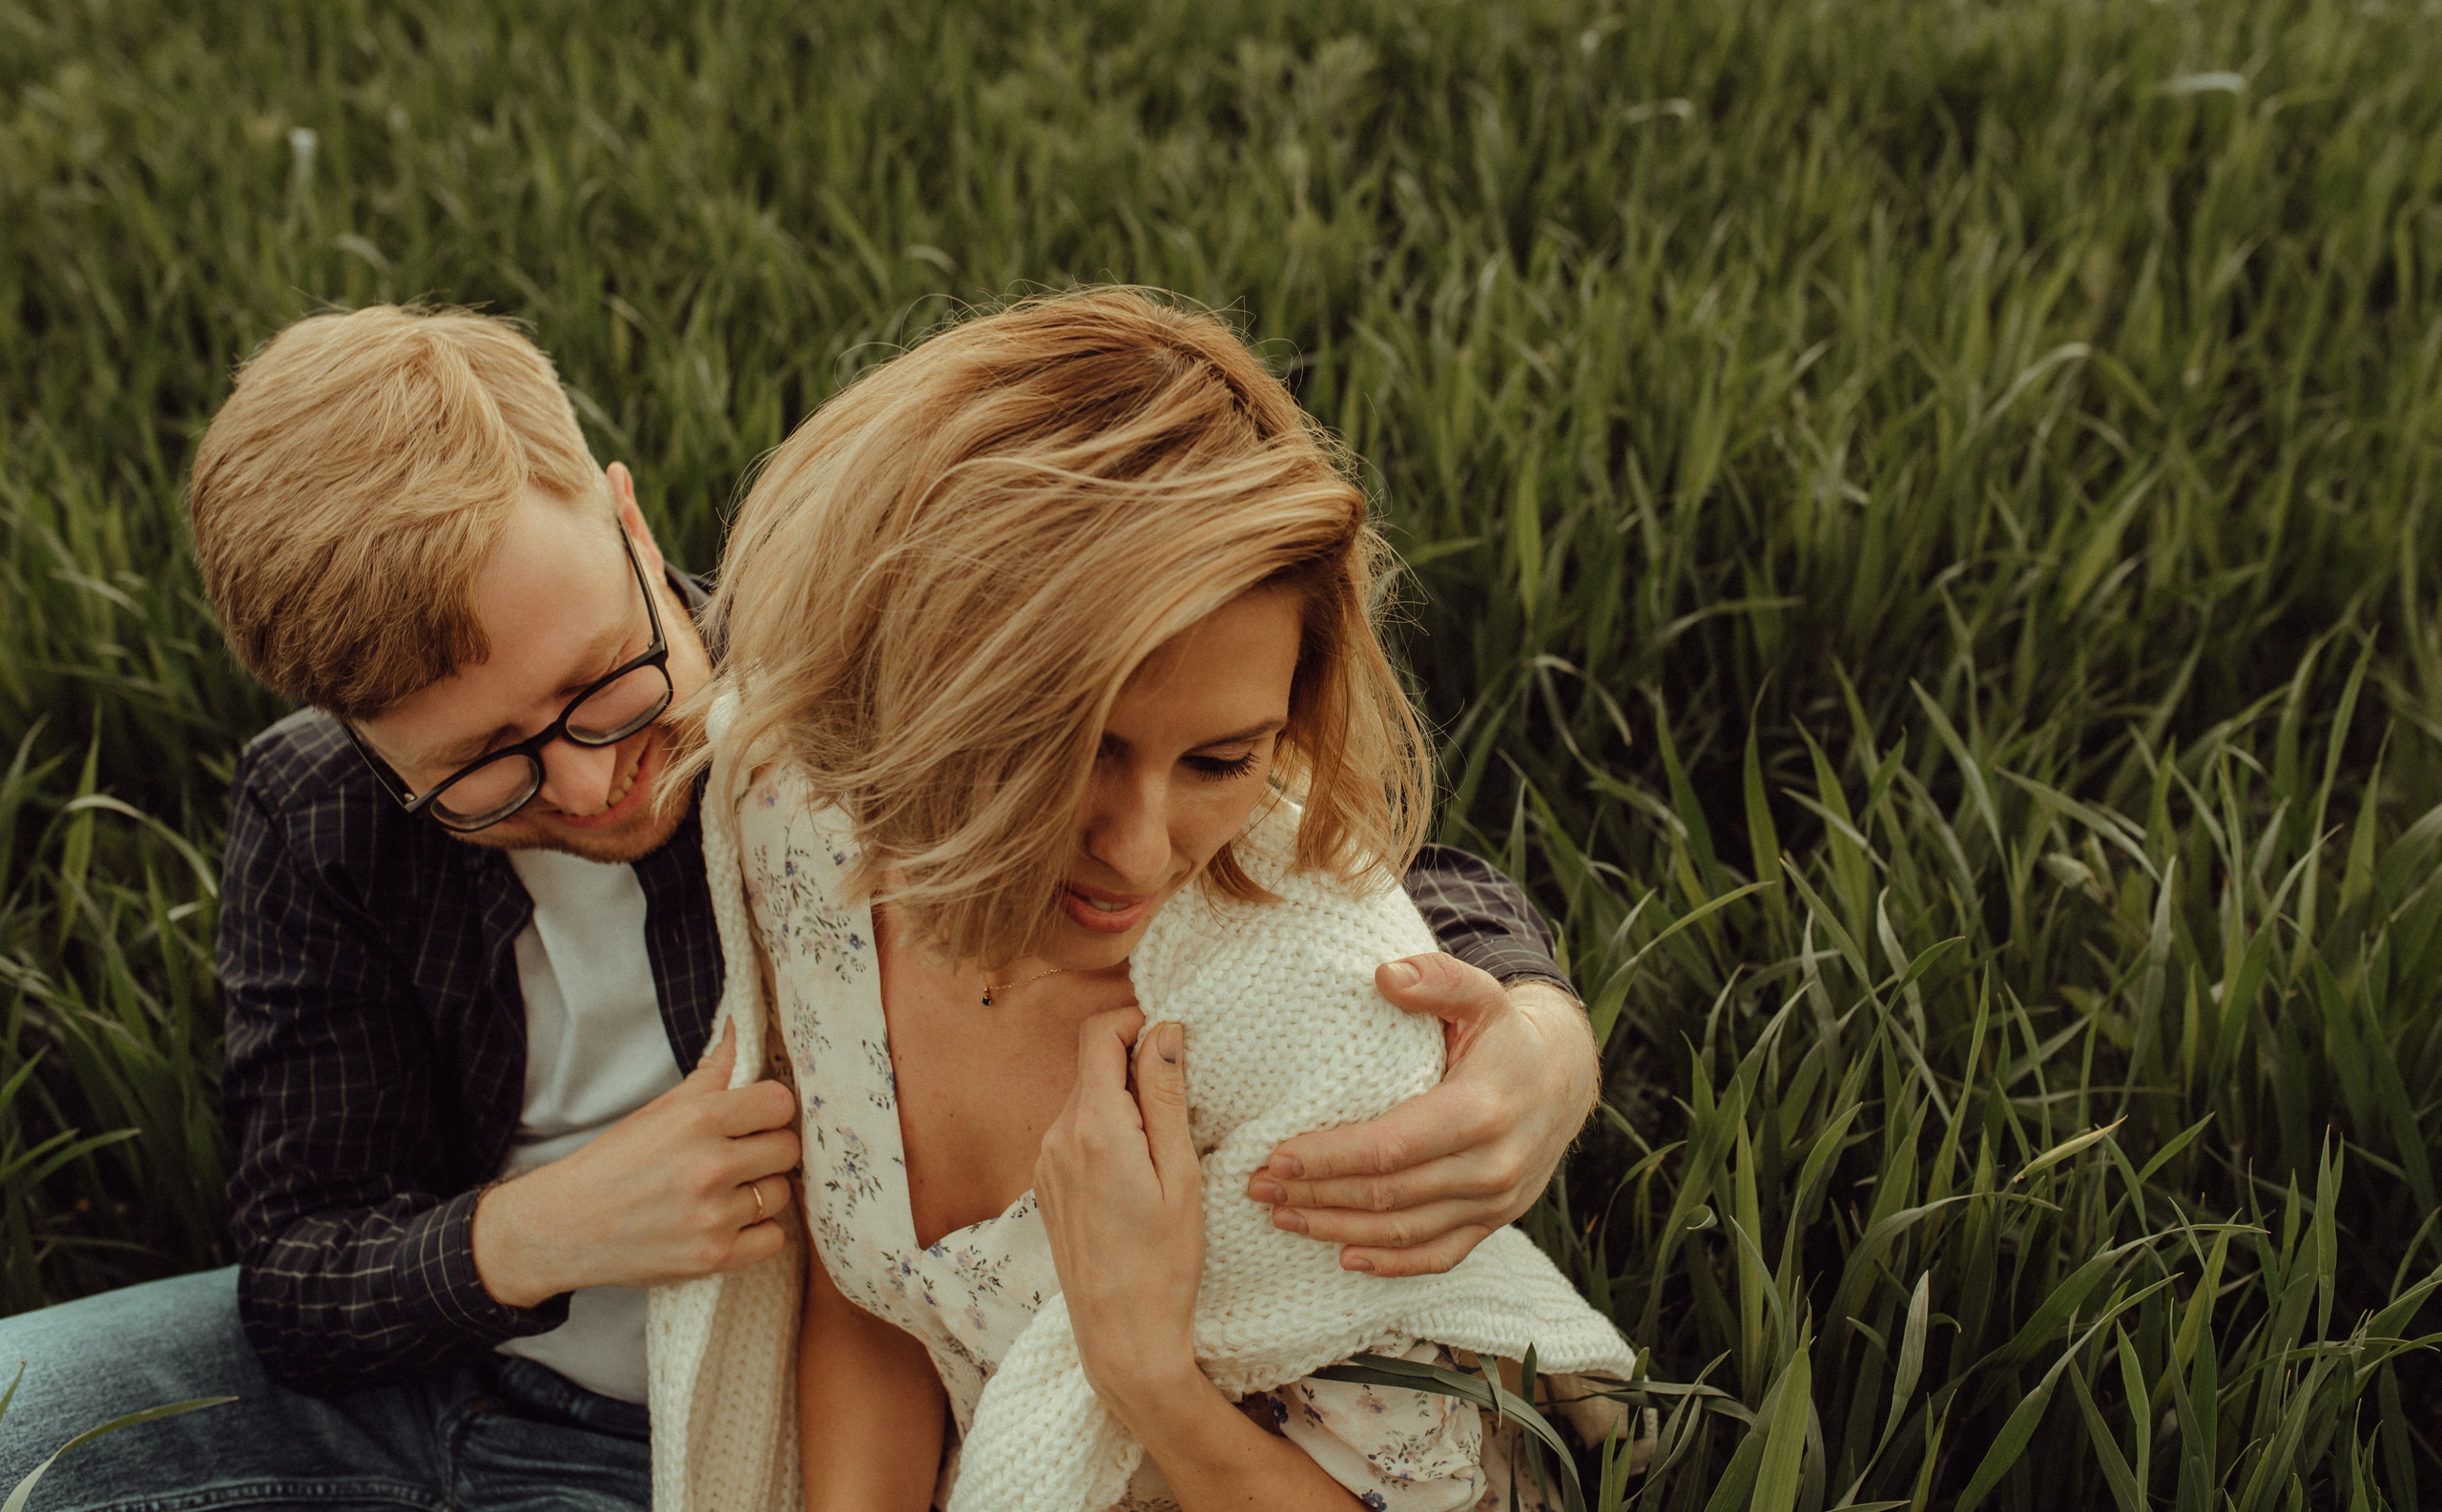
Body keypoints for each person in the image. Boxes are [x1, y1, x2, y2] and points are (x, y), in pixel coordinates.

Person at [0, 302, 1599, 1509]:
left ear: (630, 525)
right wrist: (544, 1225)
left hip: (704, 1440)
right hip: (446, 1373)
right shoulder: (323, 815)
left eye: (605, 687)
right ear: (361, 737)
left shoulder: (826, 715)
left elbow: (1289, 854)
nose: (587, 784)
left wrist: (1537, 1017)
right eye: (480, 767)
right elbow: (297, 1265)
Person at [655, 289, 1632, 1512]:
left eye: (1222, 762)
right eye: (1071, 749)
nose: (1135, 848)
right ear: (923, 684)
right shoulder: (807, 829)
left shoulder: (1316, 1043)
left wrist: (1146, 1374)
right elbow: (880, 1299)